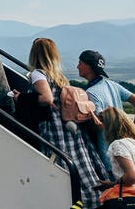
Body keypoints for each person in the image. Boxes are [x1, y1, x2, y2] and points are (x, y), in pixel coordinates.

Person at [22, 38, 109, 207]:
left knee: (60, 168)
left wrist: (22, 98)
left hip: (54, 129)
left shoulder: (38, 73)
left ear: (35, 54)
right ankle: (90, 202)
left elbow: (46, 98)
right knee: (80, 168)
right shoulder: (59, 76)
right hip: (71, 129)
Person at [78, 49, 135, 178]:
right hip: (126, 148)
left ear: (88, 67)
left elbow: (100, 125)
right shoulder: (113, 85)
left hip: (108, 155)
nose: (77, 66)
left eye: (80, 63)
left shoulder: (91, 92)